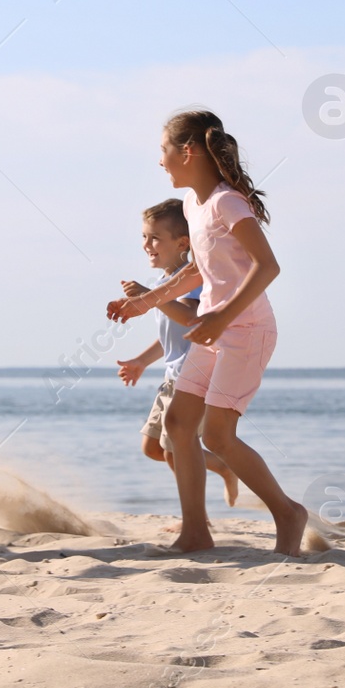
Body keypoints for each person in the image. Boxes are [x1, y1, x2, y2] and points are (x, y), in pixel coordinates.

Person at [108, 111, 308, 556]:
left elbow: (267, 266)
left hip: (246, 329)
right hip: (214, 330)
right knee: (179, 424)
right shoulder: (192, 208)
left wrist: (222, 318)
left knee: (217, 436)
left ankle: (288, 513)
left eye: (164, 150)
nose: (160, 161)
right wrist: (142, 304)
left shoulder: (225, 202)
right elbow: (197, 271)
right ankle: (196, 532)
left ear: (188, 151)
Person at [114, 198, 240, 506]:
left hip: (193, 377)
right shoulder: (163, 283)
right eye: (144, 236)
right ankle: (222, 466)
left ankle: (196, 518)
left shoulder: (190, 280)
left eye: (155, 237)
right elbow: (172, 335)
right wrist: (140, 361)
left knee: (176, 450)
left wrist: (149, 297)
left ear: (182, 242)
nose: (147, 244)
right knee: (153, 449)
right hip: (171, 377)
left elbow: (191, 321)